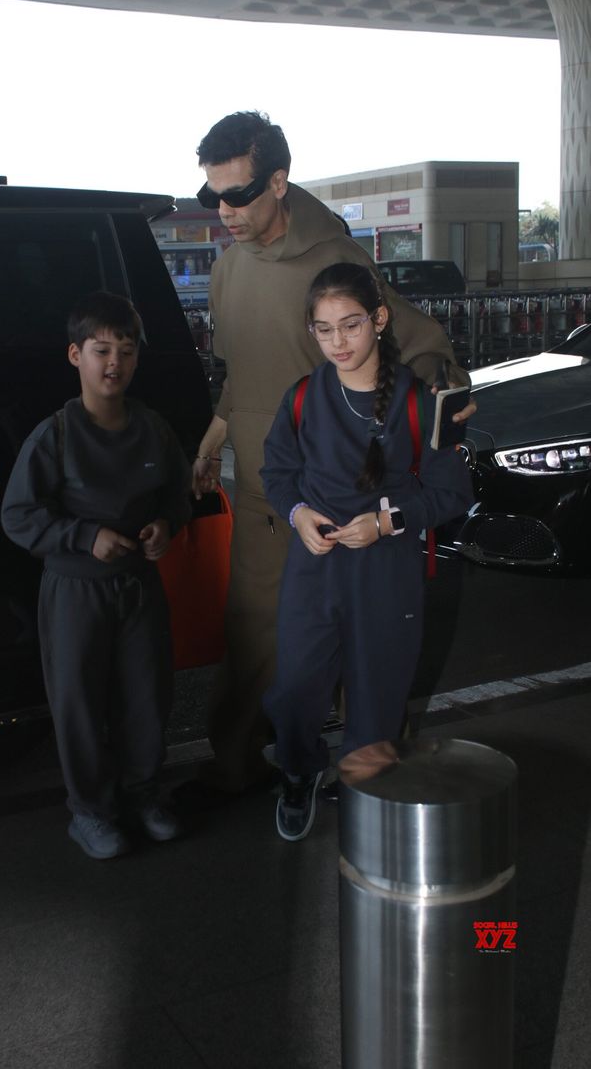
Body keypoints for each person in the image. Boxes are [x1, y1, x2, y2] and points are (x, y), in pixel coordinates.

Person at [183, 110, 473, 802]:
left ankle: (368, 776)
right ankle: (245, 766)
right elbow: (239, 371)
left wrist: (442, 413)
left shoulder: (333, 263)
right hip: (268, 490)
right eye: (211, 196)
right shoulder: (225, 267)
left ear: (279, 182)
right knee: (256, 640)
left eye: (239, 194)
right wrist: (215, 432)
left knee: (367, 644)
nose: (224, 211)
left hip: (350, 494)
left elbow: (419, 342)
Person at [260, 262, 474, 841]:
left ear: (378, 320)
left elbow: (453, 492)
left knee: (377, 695)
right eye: (324, 330)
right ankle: (299, 771)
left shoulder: (422, 401)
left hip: (387, 568)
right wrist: (300, 514)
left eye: (350, 325)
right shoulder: (302, 397)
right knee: (297, 686)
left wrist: (387, 522)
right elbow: (277, 472)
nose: (338, 342)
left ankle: (365, 792)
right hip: (317, 563)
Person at [1, 291, 191, 859]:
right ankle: (91, 813)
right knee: (80, 704)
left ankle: (144, 795)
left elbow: (177, 494)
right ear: (74, 355)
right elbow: (18, 515)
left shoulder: (153, 429)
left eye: (126, 351)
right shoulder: (54, 435)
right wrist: (84, 537)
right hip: (75, 591)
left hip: (138, 587)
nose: (114, 364)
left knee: (145, 696)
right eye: (101, 350)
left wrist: (164, 524)